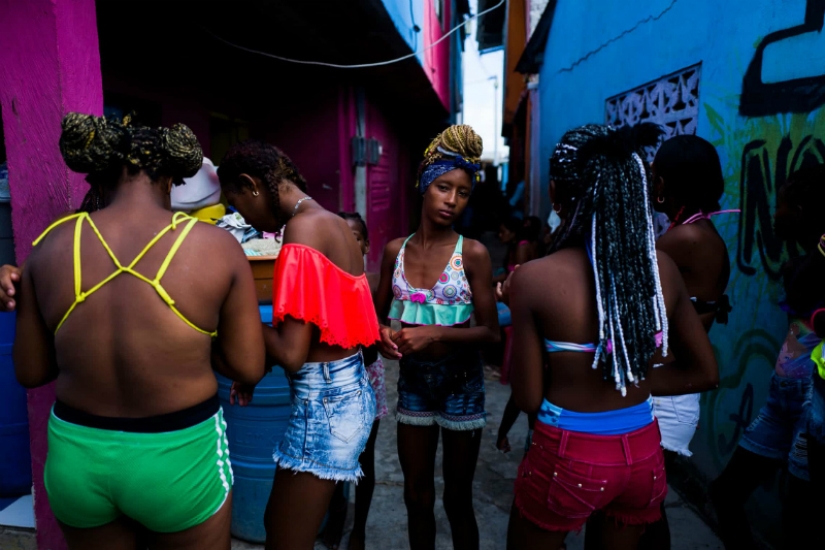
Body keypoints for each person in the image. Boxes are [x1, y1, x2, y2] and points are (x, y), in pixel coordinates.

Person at [14, 113, 266, 550]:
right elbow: (248, 365)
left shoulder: (50, 246)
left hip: (78, 455)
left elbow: (32, 371)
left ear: (101, 176)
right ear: (170, 179)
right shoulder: (216, 248)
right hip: (177, 454)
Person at [502, 123, 718, 550]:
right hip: (642, 451)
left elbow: (528, 398)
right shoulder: (662, 268)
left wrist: (588, 369)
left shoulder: (534, 279)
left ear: (559, 196)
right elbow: (706, 371)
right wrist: (625, 373)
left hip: (568, 453)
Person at [216, 141, 379, 550]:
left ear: (251, 185)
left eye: (235, 203)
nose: (240, 216)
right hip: (341, 391)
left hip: (325, 404)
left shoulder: (302, 230)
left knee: (286, 539)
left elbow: (291, 352)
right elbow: (320, 329)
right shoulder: (333, 222)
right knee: (279, 523)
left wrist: (234, 320)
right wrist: (262, 364)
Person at [588, 133, 736, 550]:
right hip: (665, 387)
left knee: (630, 514)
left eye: (653, 176)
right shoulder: (692, 232)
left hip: (665, 393)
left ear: (669, 181)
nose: (650, 185)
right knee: (643, 514)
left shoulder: (683, 240)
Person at [374, 124, 499, 550]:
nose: (452, 200)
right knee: (415, 496)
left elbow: (491, 333)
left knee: (458, 498)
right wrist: (385, 338)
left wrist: (432, 333)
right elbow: (376, 320)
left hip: (462, 386)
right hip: (413, 386)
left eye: (462, 193)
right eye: (444, 187)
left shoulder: (473, 254)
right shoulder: (395, 251)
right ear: (425, 186)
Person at [709, 164, 825, 550]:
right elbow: (799, 288)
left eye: (782, 206)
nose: (773, 215)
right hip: (784, 400)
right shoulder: (801, 264)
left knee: (800, 520)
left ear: (803, 211)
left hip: (815, 406)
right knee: (726, 493)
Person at [321, 212, 389, 550]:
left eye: (355, 237)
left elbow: (373, 351)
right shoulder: (323, 287)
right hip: (333, 385)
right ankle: (336, 517)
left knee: (363, 458)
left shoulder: (370, 287)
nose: (349, 243)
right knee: (334, 458)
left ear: (365, 244)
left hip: (366, 380)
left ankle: (358, 527)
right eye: (341, 236)